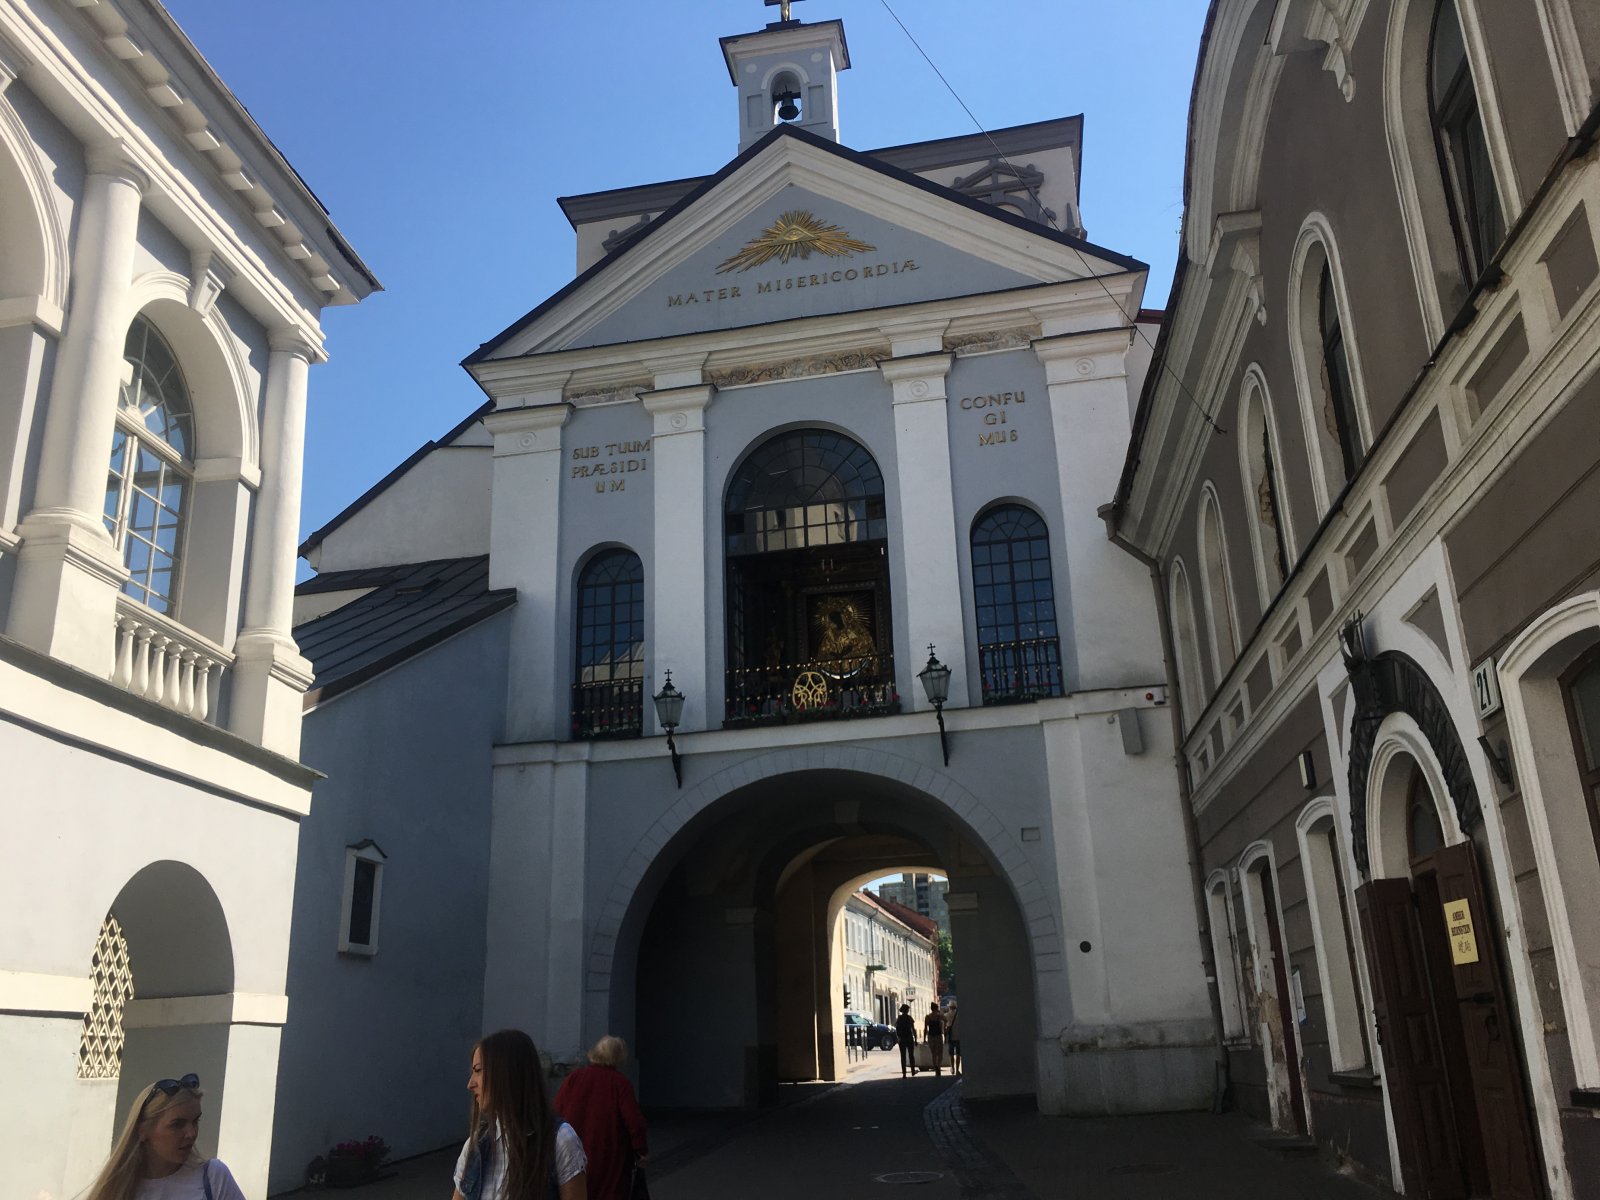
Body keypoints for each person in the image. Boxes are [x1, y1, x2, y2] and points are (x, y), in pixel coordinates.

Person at [453, 1029, 588, 1200]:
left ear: (507, 1072)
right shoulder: (476, 1146)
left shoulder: (560, 1140)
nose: (470, 1084)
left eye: (478, 1070)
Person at [83, 1073, 247, 1200]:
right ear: (143, 1130)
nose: (191, 1133)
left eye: (195, 1121)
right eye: (177, 1124)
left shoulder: (213, 1177)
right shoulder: (117, 1189)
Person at [554, 1036, 648, 1200]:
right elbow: (633, 1121)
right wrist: (641, 1150)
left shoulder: (575, 1077)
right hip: (610, 1153)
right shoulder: (620, 1083)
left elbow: (557, 1109)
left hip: (575, 1148)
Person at [894, 1004, 918, 1078]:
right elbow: (913, 1029)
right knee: (911, 1055)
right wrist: (916, 1039)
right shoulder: (909, 1018)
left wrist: (898, 1038)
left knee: (903, 1056)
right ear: (907, 1010)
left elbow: (897, 1029)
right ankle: (913, 1071)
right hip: (909, 1038)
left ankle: (904, 1073)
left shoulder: (899, 1019)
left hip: (902, 1039)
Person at [924, 1002, 946, 1077]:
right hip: (938, 1036)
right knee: (940, 1053)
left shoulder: (928, 1017)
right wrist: (944, 1028)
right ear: (937, 1008)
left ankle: (935, 1067)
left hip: (931, 1036)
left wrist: (924, 1038)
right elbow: (946, 1020)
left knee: (933, 1053)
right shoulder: (939, 1016)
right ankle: (938, 1065)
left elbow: (925, 1028)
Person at [944, 1003, 961, 1076]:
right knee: (958, 1054)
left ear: (949, 1007)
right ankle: (957, 1070)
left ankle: (953, 1068)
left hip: (950, 1037)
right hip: (959, 1037)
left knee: (951, 1054)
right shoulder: (959, 1015)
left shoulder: (946, 1015)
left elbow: (944, 1027)